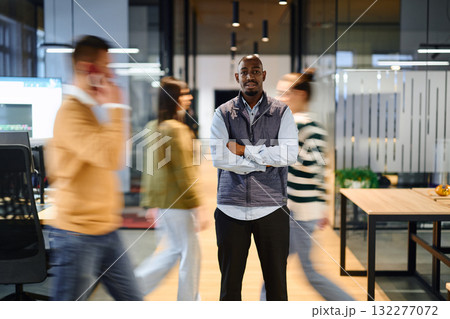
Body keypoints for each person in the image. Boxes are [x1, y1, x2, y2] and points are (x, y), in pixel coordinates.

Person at [46, 35, 142, 301]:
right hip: (77, 234)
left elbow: (113, 153)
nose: (111, 74)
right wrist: (116, 104)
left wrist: (111, 108)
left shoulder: (90, 112)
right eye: (106, 66)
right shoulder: (70, 113)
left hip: (104, 229)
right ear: (89, 69)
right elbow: (112, 158)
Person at [210, 55, 299, 301]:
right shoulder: (223, 113)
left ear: (263, 75)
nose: (250, 76)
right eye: (245, 71)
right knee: (229, 289)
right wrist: (262, 163)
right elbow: (219, 158)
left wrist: (243, 150)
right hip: (230, 209)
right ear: (238, 77)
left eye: (256, 70)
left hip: (272, 209)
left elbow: (290, 154)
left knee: (277, 289)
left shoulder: (282, 112)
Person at [260, 72, 354, 301]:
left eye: (284, 93)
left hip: (298, 213)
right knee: (275, 269)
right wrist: (321, 205)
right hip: (300, 210)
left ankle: (353, 306)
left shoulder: (301, 125)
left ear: (299, 94)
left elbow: (301, 165)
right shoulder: (307, 125)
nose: (278, 98)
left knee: (308, 273)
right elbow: (318, 169)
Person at [135, 78, 206, 301]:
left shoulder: (152, 127)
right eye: (184, 93)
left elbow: (150, 170)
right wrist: (198, 205)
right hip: (179, 204)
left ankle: (133, 288)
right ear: (174, 99)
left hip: (165, 204)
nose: (189, 97)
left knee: (174, 251)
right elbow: (185, 173)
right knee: (189, 255)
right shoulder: (178, 130)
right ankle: (134, 288)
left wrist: (150, 202)